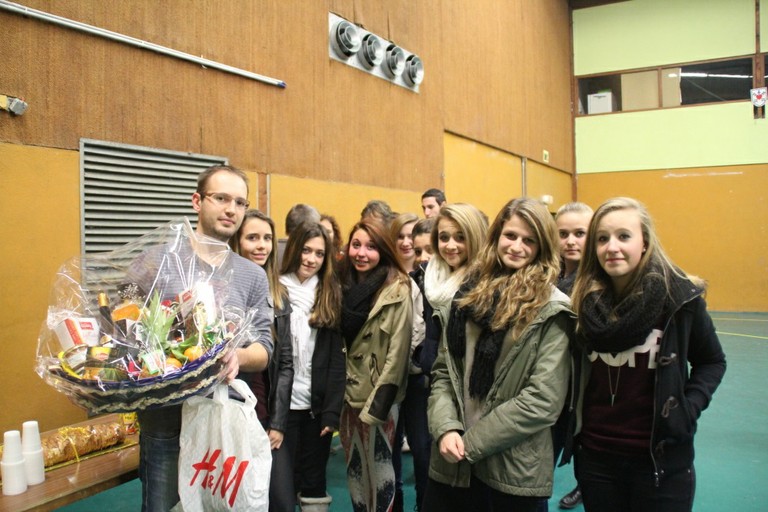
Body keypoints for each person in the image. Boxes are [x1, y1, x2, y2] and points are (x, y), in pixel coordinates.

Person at [131, 165, 274, 512]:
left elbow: (264, 348)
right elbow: (124, 327)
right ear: (197, 201)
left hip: (220, 421)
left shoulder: (252, 275)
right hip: (165, 419)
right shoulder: (156, 262)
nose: (231, 209)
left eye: (239, 202)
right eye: (221, 198)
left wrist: (238, 356)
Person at [569, 197, 726, 512]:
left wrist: (686, 409)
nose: (612, 247)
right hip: (596, 459)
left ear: (644, 243)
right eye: (602, 238)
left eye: (623, 236)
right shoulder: (577, 301)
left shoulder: (680, 298)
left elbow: (712, 361)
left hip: (661, 460)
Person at [423, 198, 573, 512]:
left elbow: (543, 399)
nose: (517, 246)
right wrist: (446, 428)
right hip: (453, 459)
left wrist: (470, 443)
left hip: (511, 468)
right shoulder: (467, 294)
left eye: (529, 240)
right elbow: (444, 372)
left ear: (543, 247)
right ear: (497, 236)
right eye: (511, 235)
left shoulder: (552, 308)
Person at [270, 222, 346, 512]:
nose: (311, 259)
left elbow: (336, 360)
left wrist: (332, 411)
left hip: (315, 406)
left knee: (314, 481)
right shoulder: (276, 289)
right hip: (282, 405)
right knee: (282, 482)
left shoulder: (329, 293)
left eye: (319, 253)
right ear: (294, 249)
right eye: (306, 250)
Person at [339, 220, 413, 512]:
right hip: (346, 395)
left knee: (380, 470)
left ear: (383, 250)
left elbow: (398, 354)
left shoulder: (398, 289)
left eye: (371, 247)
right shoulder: (340, 285)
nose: (361, 253)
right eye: (356, 245)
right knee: (355, 469)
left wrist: (378, 406)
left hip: (379, 397)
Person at [233, 210, 294, 452]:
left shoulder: (279, 294)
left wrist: (278, 423)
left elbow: (286, 362)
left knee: (280, 479)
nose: (262, 246)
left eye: (267, 238)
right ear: (237, 241)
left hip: (266, 410)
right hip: (233, 408)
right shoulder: (224, 289)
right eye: (253, 238)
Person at [553, 202, 593, 510]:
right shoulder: (548, 275)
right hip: (552, 379)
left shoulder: (597, 282)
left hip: (585, 380)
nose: (570, 241)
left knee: (585, 438)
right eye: (563, 233)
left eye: (580, 233)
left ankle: (585, 485)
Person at [389, 213, 428, 510]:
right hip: (390, 377)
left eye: (411, 237)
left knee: (422, 448)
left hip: (419, 378)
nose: (406, 242)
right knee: (390, 449)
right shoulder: (384, 275)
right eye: (400, 236)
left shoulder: (429, 275)